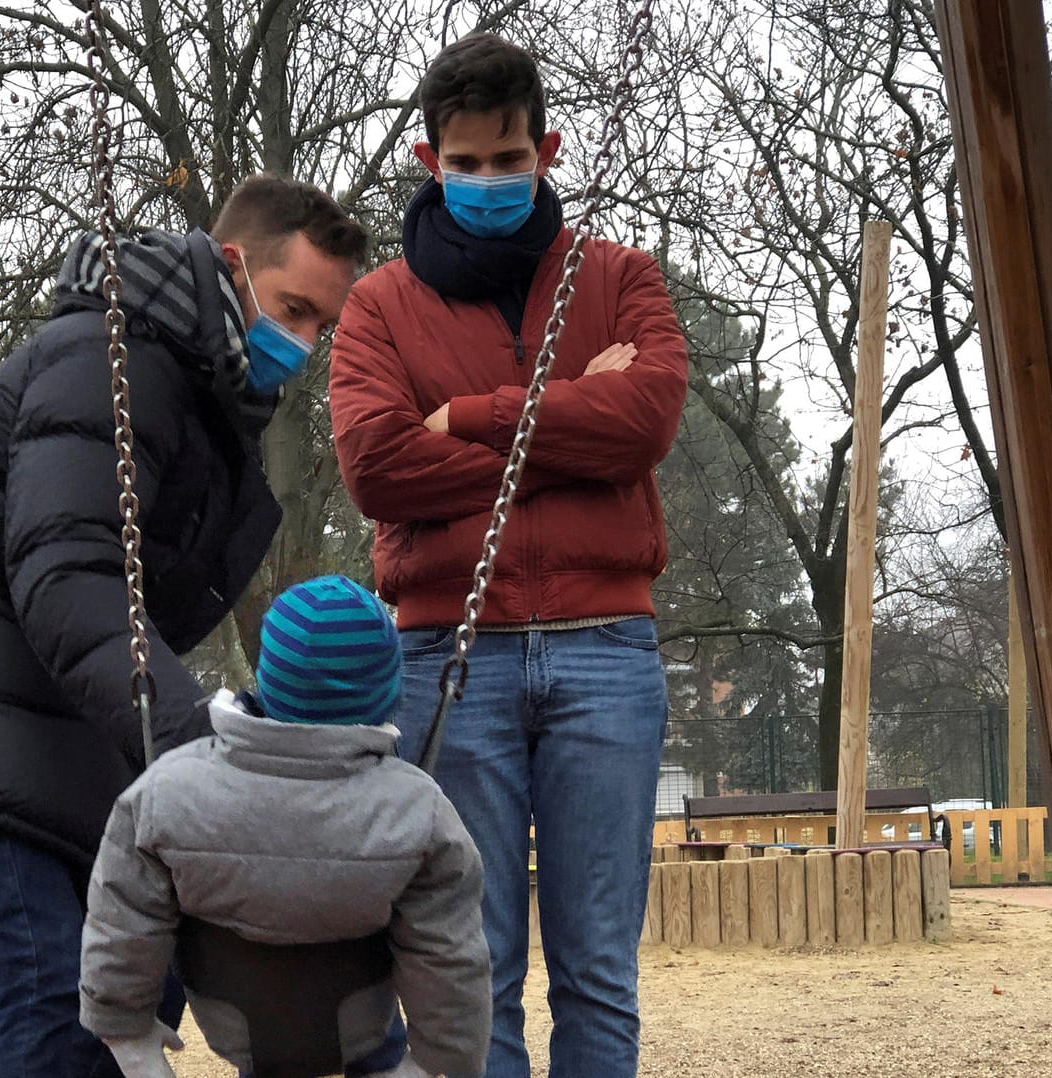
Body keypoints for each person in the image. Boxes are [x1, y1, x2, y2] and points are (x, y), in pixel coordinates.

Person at [0, 175, 369, 1078]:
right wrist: (189, 733)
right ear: (232, 267)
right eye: (293, 309)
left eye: (322, 323)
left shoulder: (193, 381)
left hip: (48, 705)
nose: (304, 343)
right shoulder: (112, 352)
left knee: (127, 971)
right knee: (52, 977)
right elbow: (67, 569)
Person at [326, 32, 689, 1078]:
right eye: (468, 161)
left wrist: (471, 417)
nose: (490, 178)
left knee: (598, 970)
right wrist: (566, 435)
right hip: (451, 654)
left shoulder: (618, 278)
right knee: (468, 968)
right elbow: (377, 468)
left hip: (607, 650)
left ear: (549, 149)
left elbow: (650, 418)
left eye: (510, 157)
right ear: (429, 160)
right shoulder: (379, 307)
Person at [79, 574, 490, 1078]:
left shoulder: (167, 790)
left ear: (267, 679)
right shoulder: (417, 808)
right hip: (360, 1026)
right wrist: (437, 1060)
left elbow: (121, 915)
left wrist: (126, 1030)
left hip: (232, 1021)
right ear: (386, 693)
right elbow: (448, 954)